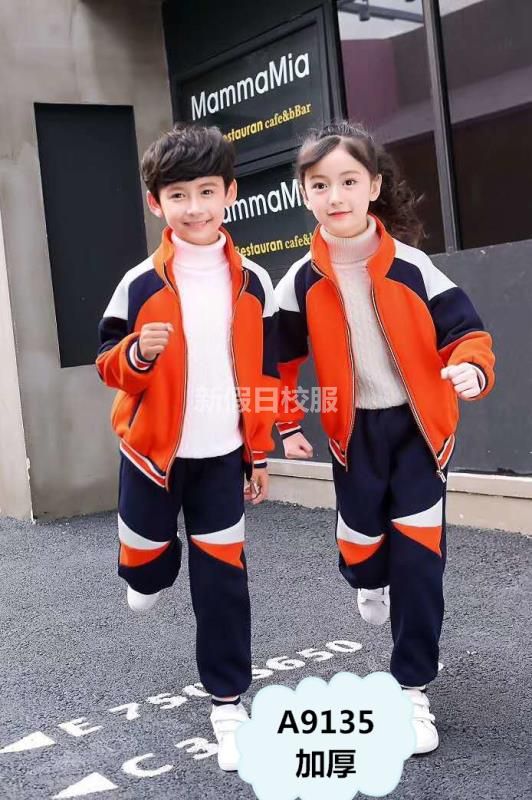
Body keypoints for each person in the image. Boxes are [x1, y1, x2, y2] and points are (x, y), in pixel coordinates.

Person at [275, 121, 495, 754]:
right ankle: (368, 578)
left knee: (420, 562)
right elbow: (275, 362)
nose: (335, 195)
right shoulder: (300, 280)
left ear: (372, 187)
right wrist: (285, 423)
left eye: (348, 181)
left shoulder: (413, 266)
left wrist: (471, 369)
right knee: (361, 550)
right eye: (320, 185)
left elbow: (468, 334)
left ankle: (411, 689)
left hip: (420, 432)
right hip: (354, 436)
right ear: (305, 194)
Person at [96, 123, 279, 771]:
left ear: (230, 193)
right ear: (156, 203)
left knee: (223, 582)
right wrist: (136, 355)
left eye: (206, 191)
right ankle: (145, 569)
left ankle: (228, 703)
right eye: (178, 195)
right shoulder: (138, 284)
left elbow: (263, 375)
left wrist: (259, 452)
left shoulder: (255, 282)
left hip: (222, 460)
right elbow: (107, 364)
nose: (194, 207)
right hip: (151, 457)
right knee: (146, 568)